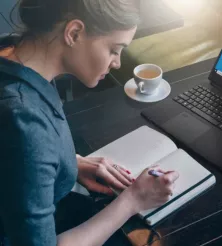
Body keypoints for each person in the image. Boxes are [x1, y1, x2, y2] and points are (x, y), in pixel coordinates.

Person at [0, 0, 179, 245]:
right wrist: (132, 200)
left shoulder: (12, 51)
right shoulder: (25, 119)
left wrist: (68, 164)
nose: (116, 62)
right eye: (114, 49)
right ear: (74, 33)